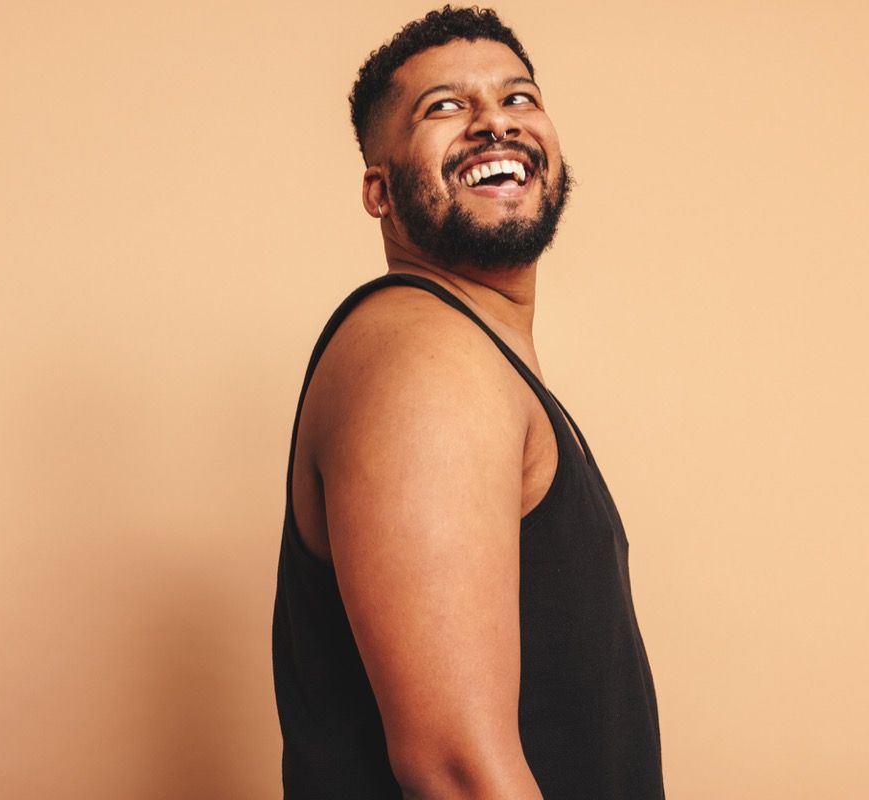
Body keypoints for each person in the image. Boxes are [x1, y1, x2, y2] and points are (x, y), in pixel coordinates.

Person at [272, 7, 664, 798]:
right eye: (445, 107)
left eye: (519, 98)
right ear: (379, 192)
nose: (494, 122)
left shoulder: (474, 359)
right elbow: (456, 773)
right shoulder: (426, 356)